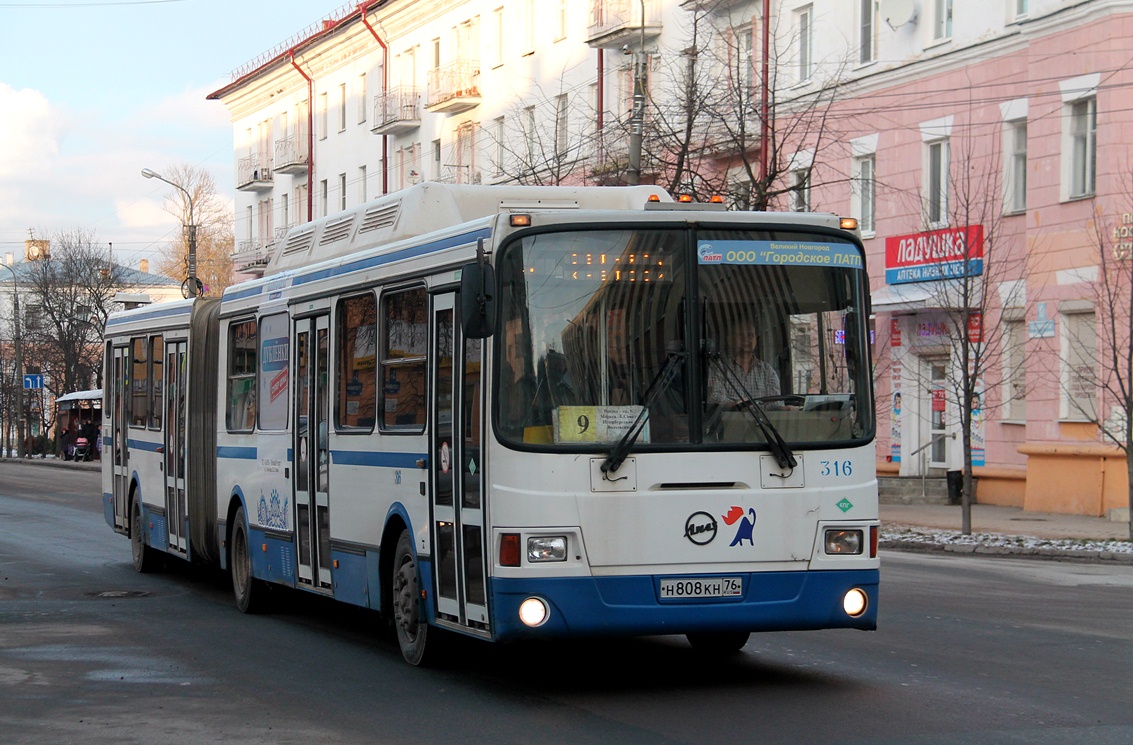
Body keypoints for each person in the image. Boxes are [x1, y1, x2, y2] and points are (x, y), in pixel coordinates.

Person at [707, 319, 781, 409]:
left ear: (755, 340)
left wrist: (783, 409)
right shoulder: (718, 367)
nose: (746, 339)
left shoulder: (767, 371)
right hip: (729, 422)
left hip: (761, 423)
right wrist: (735, 404)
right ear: (730, 339)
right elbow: (715, 397)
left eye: (750, 335)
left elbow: (774, 403)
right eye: (740, 335)